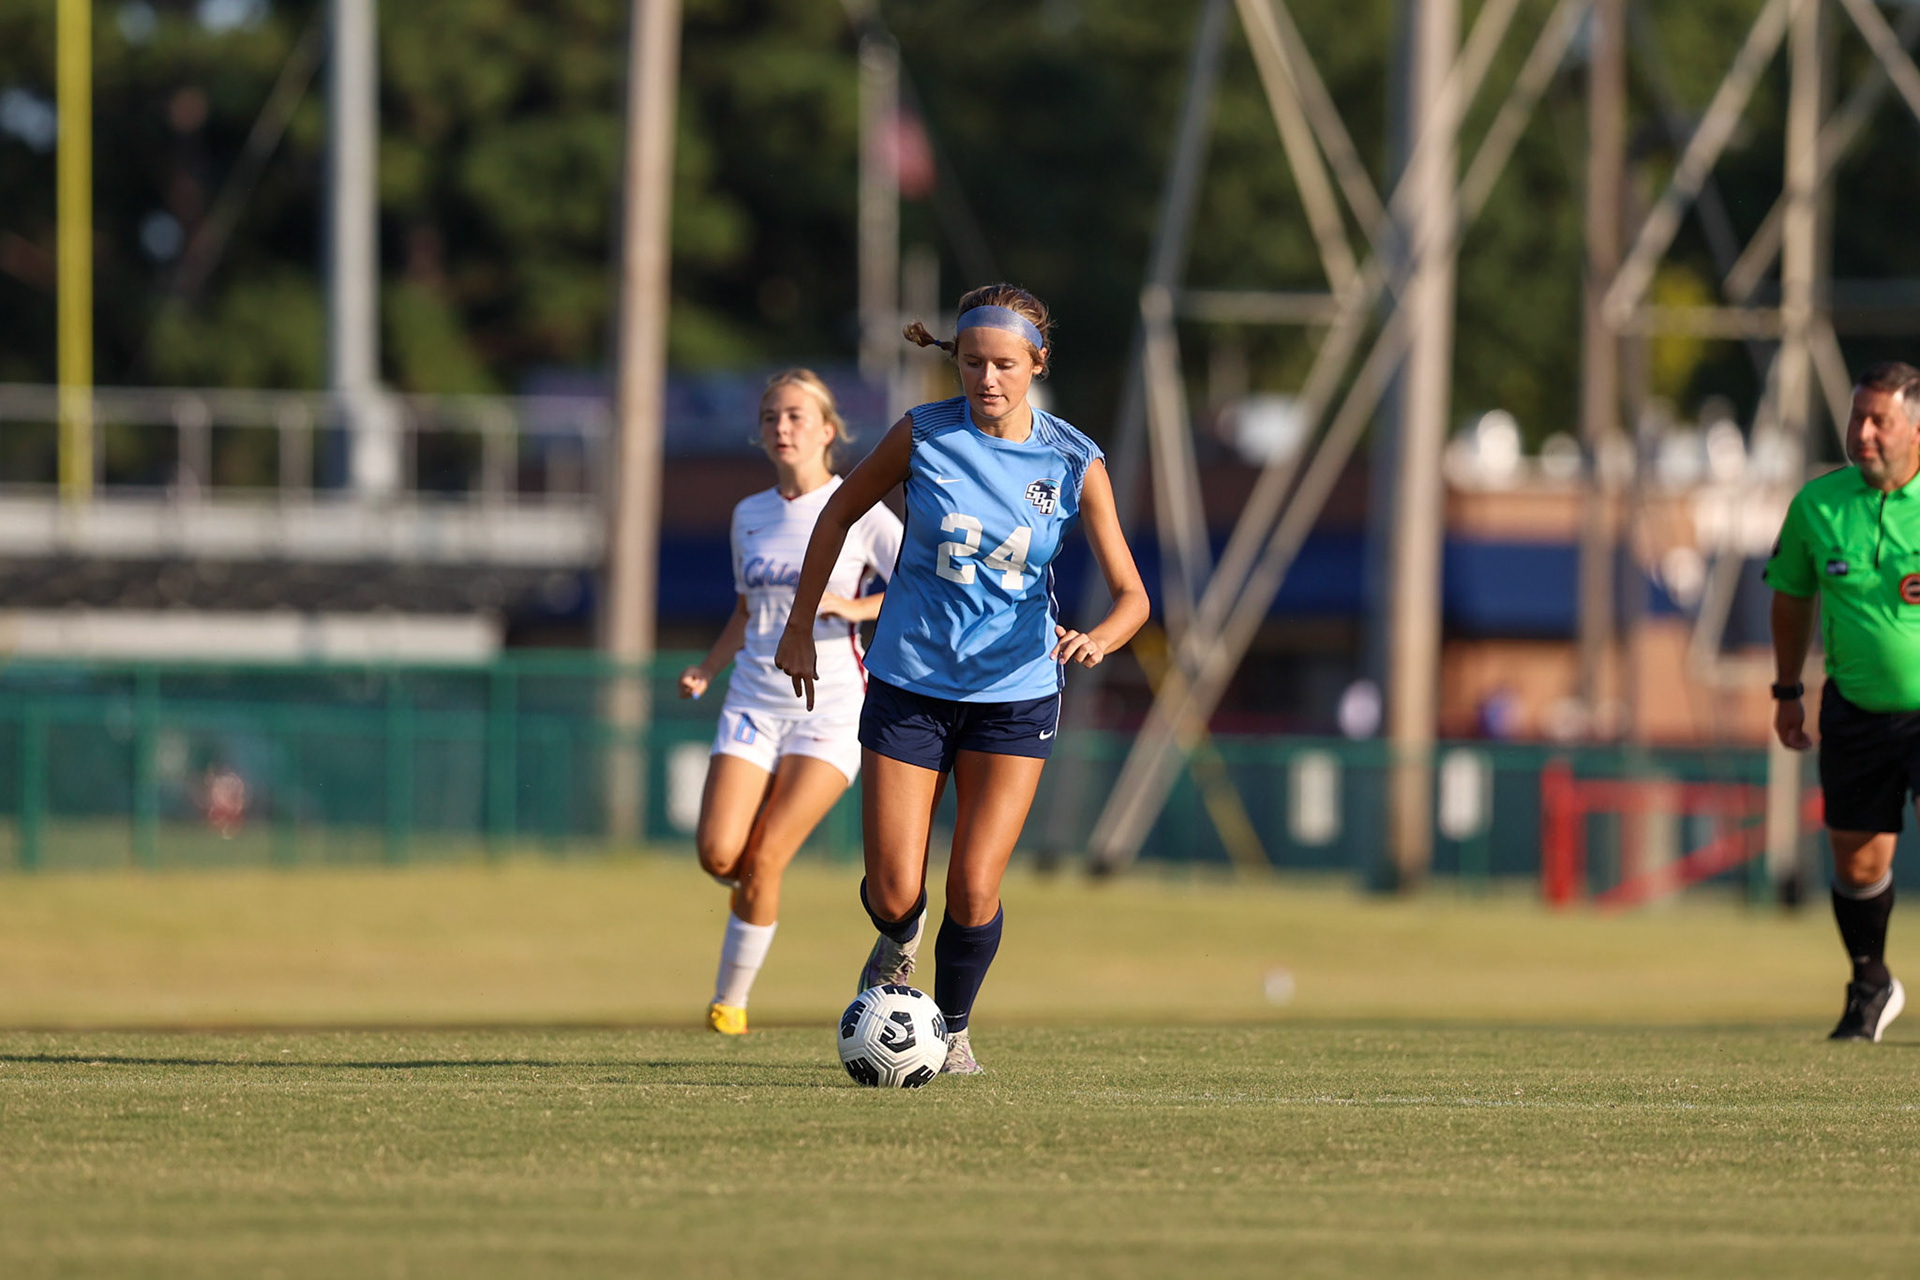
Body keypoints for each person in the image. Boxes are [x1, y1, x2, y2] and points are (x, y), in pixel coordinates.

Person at [775, 284, 1150, 1074]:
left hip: (1015, 694)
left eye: (1005, 365)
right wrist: (800, 624)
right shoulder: (921, 435)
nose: (987, 379)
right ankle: (897, 943)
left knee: (975, 887)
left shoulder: (1073, 457)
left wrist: (1100, 640)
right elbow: (838, 514)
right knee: (892, 891)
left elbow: (1133, 596)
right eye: (972, 363)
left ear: (1037, 364)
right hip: (911, 683)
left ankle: (950, 1029)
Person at [678, 369, 902, 1036]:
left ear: (828, 431)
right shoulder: (749, 514)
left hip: (829, 708)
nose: (782, 427)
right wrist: (708, 667)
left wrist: (852, 606)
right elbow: (749, 609)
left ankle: (730, 1005)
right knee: (721, 856)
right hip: (752, 699)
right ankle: (756, 896)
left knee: (767, 856)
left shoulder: (860, 510)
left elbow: (919, 587)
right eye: (772, 415)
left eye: (797, 416)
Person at [1767, 360, 1920, 1042]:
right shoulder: (1818, 506)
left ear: (1914, 427)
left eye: (1878, 420)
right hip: (1856, 711)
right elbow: (1792, 599)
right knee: (1859, 862)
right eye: (1858, 417)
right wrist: (1787, 690)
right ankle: (1870, 985)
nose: (1863, 432)